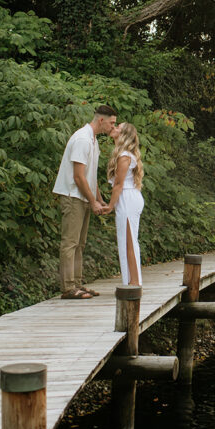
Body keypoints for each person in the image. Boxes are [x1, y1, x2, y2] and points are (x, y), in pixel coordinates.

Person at [52, 104, 116, 299]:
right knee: (70, 243)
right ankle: (68, 288)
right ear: (101, 120)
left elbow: (90, 175)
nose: (113, 128)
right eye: (111, 123)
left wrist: (99, 199)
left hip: (83, 196)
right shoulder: (82, 139)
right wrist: (92, 201)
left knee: (80, 243)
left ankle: (78, 283)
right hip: (73, 196)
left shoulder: (93, 140)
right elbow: (78, 177)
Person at [107, 122, 145, 286]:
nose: (114, 128)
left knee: (129, 241)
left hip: (127, 198)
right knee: (125, 240)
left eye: (118, 128)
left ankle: (135, 282)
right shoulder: (123, 154)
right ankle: (131, 280)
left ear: (123, 135)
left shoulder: (124, 157)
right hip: (127, 197)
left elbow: (118, 185)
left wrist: (109, 206)